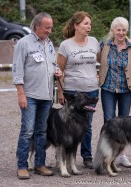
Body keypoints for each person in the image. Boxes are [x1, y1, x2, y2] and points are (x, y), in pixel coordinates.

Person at [12, 12, 62, 179]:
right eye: (47, 27)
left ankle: (40, 164)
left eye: (51, 28)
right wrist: (21, 94)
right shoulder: (23, 43)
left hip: (46, 96)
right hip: (30, 95)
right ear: (36, 26)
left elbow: (52, 65)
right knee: (27, 131)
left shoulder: (48, 43)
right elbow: (17, 70)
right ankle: (22, 166)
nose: (49, 31)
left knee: (42, 131)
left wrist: (57, 72)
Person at [56, 11, 100, 169]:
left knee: (86, 125)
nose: (89, 26)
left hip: (91, 91)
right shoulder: (65, 45)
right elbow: (59, 70)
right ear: (76, 26)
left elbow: (103, 61)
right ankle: (67, 157)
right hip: (72, 91)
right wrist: (60, 92)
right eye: (85, 24)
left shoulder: (94, 42)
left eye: (90, 23)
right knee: (68, 125)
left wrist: (100, 75)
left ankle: (87, 156)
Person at [99, 17, 131, 168]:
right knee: (109, 121)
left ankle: (121, 155)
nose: (121, 33)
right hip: (108, 87)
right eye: (118, 30)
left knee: (124, 123)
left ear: (126, 31)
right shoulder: (104, 45)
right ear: (113, 30)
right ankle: (107, 154)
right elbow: (98, 60)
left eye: (123, 30)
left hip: (125, 89)